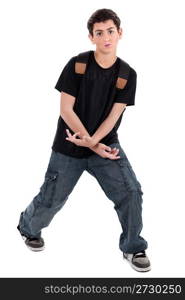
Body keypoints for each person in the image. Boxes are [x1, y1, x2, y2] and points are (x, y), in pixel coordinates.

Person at [17, 8, 151, 272]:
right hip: (69, 144)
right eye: (99, 33)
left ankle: (133, 247)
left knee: (131, 192)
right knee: (51, 200)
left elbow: (114, 116)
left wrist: (97, 144)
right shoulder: (77, 65)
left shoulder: (127, 74)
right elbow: (66, 109)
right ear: (91, 37)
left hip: (106, 145)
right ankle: (27, 227)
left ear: (120, 33)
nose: (106, 37)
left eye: (110, 31)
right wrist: (91, 143)